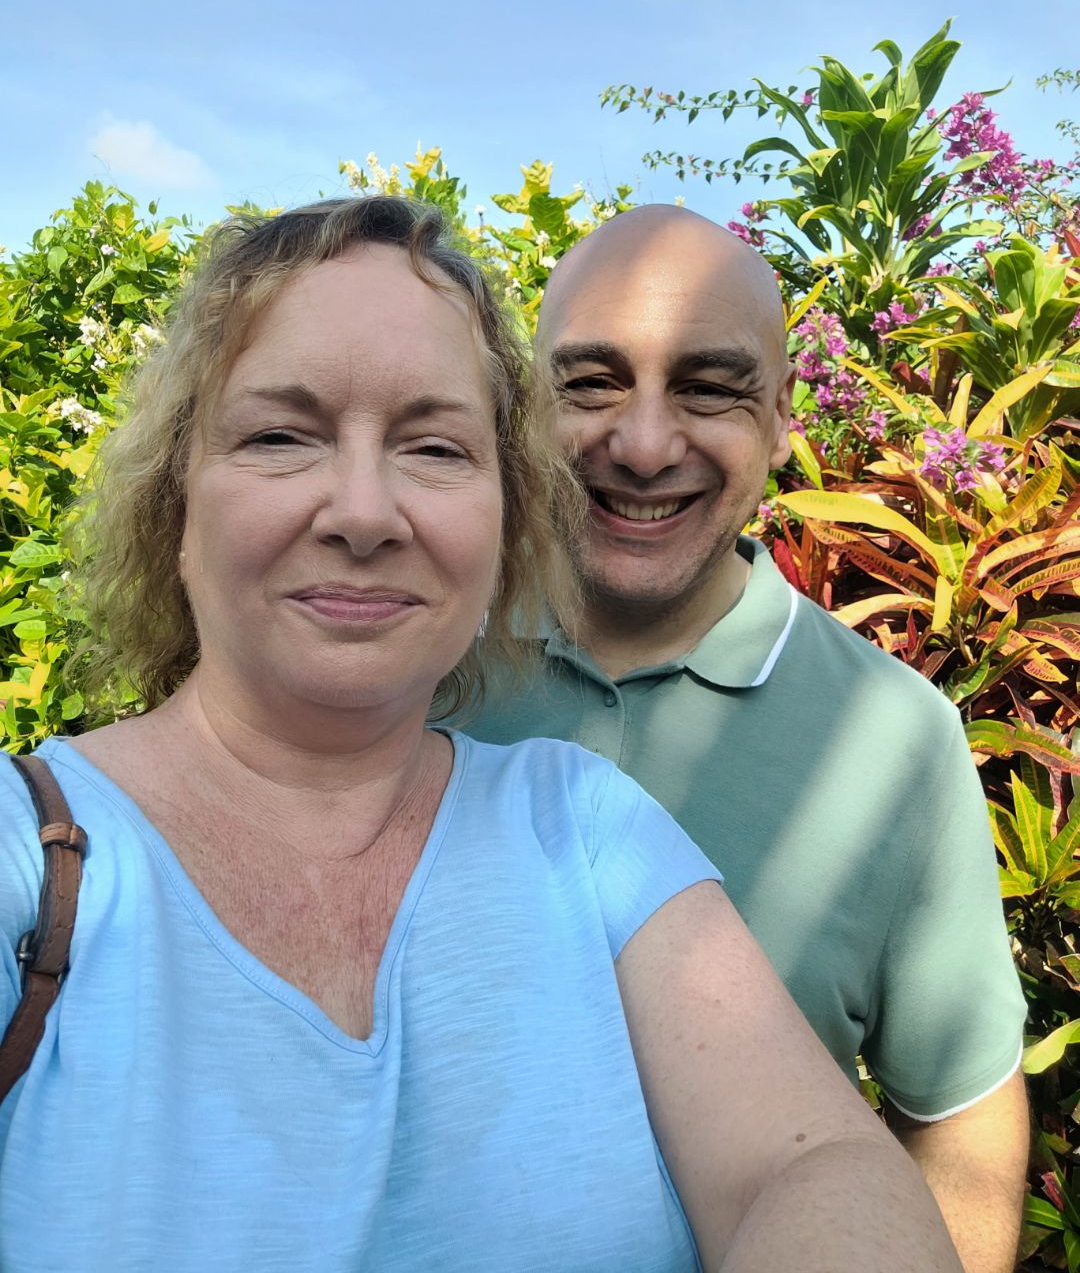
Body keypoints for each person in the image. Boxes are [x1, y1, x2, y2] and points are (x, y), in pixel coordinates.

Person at [0, 196, 960, 1272]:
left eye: (435, 447)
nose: (363, 513)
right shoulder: (29, 863)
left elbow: (813, 1163)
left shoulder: (584, 821)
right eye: (279, 434)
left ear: (504, 512)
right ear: (173, 502)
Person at [465, 203, 1030, 1273]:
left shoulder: (897, 741)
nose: (641, 443)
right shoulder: (414, 667)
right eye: (590, 382)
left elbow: (958, 1113)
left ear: (779, 418)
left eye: (708, 388)